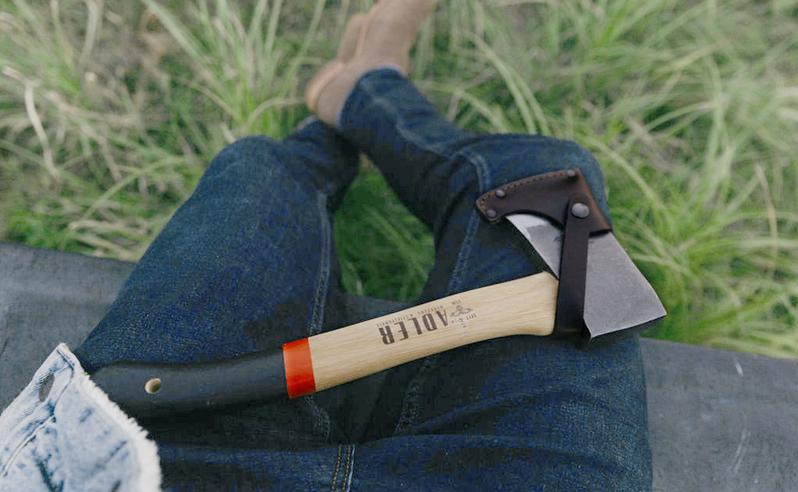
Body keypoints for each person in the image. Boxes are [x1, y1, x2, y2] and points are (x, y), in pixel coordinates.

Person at [0, 1, 651, 490]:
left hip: (139, 456)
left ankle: (334, 122)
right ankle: (365, 94)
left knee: (256, 179)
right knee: (549, 176)